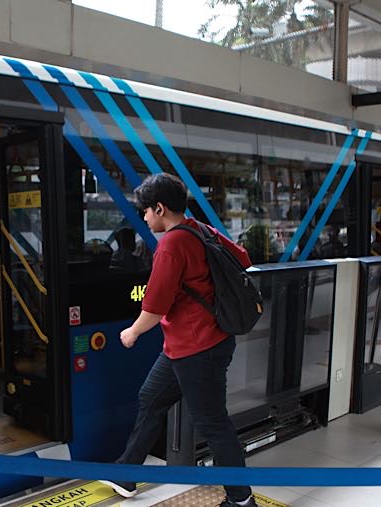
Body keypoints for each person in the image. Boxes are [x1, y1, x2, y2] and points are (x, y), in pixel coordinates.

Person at [100, 174, 257, 507]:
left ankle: (241, 500)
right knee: (150, 399)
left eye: (145, 211)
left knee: (213, 424)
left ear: (160, 208)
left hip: (199, 349)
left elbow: (154, 308)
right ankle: (125, 474)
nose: (143, 217)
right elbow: (243, 258)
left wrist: (132, 333)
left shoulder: (171, 244)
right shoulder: (200, 229)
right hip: (186, 346)